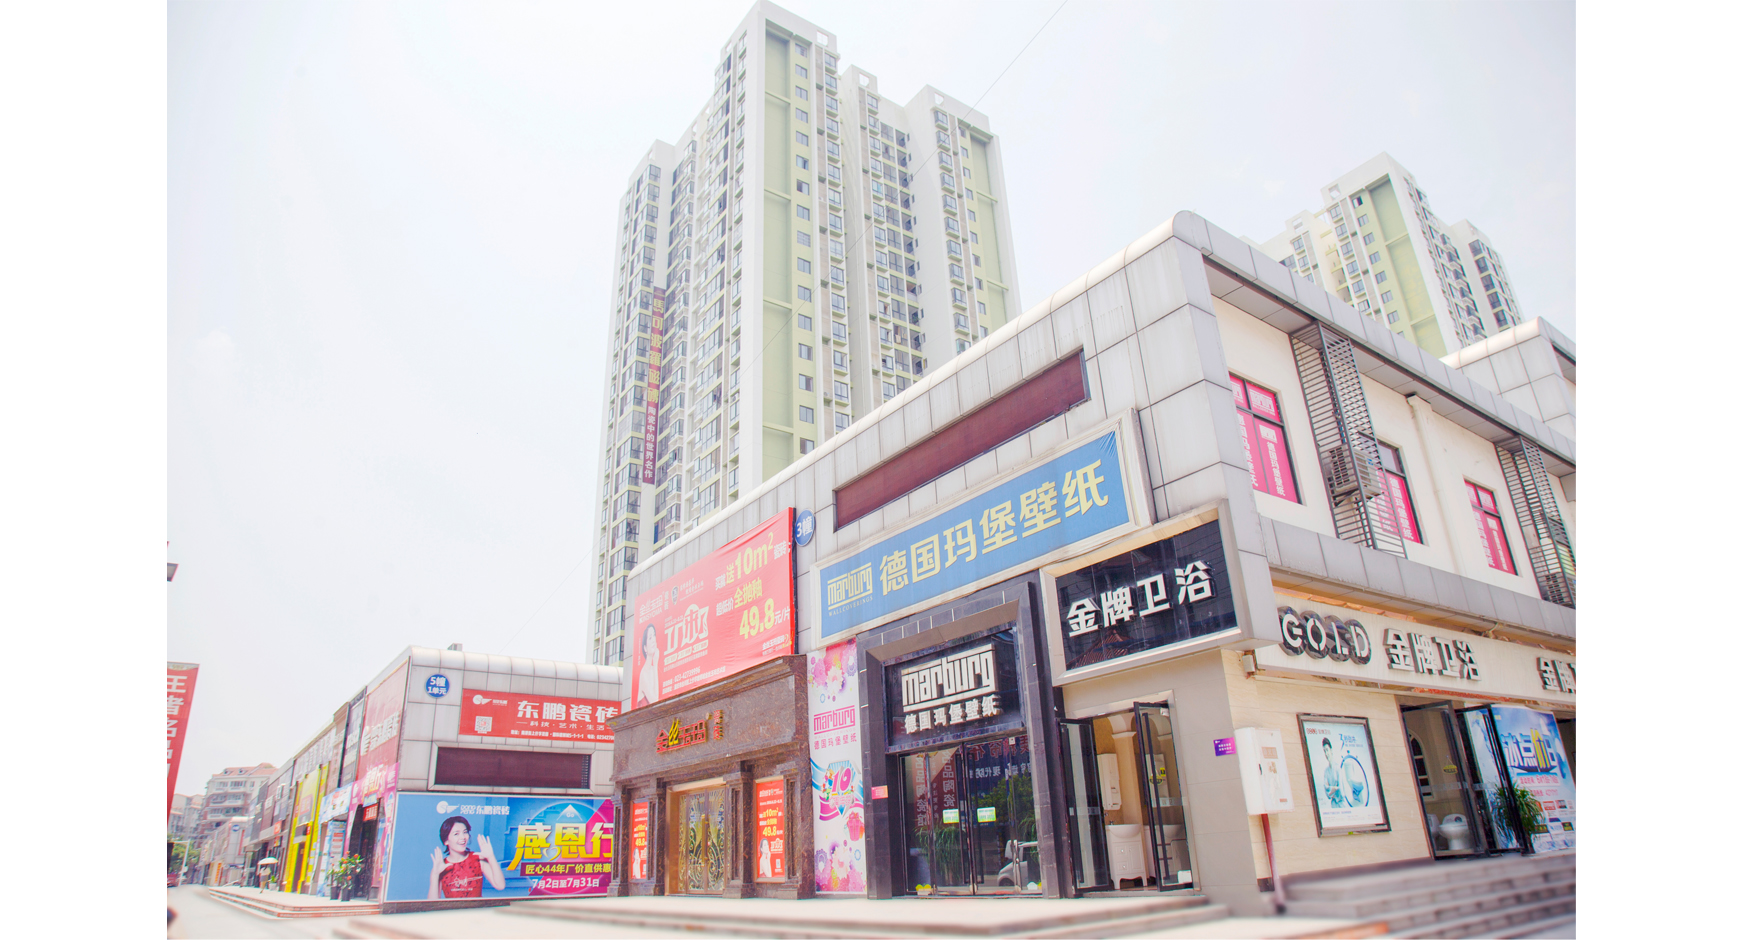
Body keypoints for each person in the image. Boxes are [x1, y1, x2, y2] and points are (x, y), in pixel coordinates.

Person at [427, 816, 506, 899]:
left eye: (465, 832)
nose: (463, 837)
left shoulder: (478, 859)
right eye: (456, 834)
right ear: (446, 841)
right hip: (452, 908)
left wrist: (491, 857)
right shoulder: (441, 867)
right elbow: (432, 903)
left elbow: (500, 886)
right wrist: (435, 875)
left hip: (478, 907)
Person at [636, 623, 662, 707]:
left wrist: (655, 665)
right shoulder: (644, 674)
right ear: (645, 648)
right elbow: (655, 701)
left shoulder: (652, 668)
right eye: (650, 638)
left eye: (654, 635)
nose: (653, 640)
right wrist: (655, 664)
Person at [1320, 737, 1346, 808]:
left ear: (1331, 750)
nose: (1326, 753)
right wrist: (1334, 788)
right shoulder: (1326, 771)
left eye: (1327, 750)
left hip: (1342, 803)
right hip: (1333, 804)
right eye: (1324, 751)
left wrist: (1331, 790)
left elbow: (1341, 790)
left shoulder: (1338, 769)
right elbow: (1327, 792)